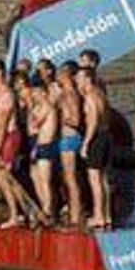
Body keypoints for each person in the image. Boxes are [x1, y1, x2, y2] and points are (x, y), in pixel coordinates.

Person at [0, 60, 26, 229]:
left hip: (9, 137)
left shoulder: (7, 94)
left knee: (4, 178)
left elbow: (2, 125)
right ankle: (22, 213)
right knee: (3, 179)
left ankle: (15, 216)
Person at [77, 66, 113, 230]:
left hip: (96, 138)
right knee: (103, 178)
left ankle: (98, 216)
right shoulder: (100, 93)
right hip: (106, 136)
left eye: (80, 78)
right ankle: (106, 215)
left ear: (88, 79)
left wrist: (86, 143)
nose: (77, 81)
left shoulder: (90, 97)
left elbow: (92, 122)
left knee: (94, 178)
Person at [54, 61, 87, 226]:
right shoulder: (64, 93)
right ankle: (74, 210)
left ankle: (75, 214)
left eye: (60, 73)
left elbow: (76, 120)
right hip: (65, 138)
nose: (57, 76)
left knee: (70, 178)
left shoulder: (70, 95)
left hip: (69, 138)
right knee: (68, 178)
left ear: (67, 75)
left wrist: (60, 119)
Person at [27, 76, 59, 223]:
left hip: (45, 145)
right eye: (33, 92)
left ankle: (48, 209)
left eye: (36, 92)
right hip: (37, 143)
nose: (34, 95)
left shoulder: (47, 106)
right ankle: (43, 206)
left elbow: (35, 123)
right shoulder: (38, 106)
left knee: (45, 179)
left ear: (44, 93)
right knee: (35, 177)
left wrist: (30, 108)